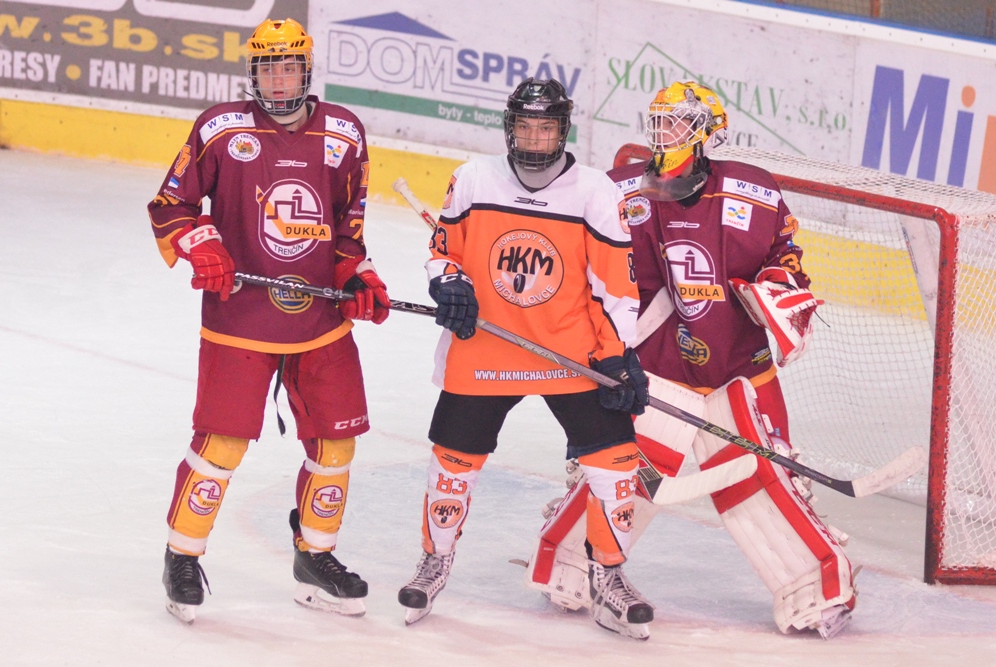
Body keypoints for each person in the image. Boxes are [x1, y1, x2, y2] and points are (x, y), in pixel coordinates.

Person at [522, 81, 856, 639]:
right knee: (623, 475)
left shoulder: (755, 192)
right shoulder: (622, 190)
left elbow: (786, 258)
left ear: (706, 133)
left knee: (764, 478)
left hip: (738, 365)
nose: (664, 133)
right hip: (654, 367)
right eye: (659, 121)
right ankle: (569, 568)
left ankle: (818, 590)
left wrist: (777, 287)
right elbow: (575, 257)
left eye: (677, 123)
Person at [147, 18, 390, 624]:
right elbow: (172, 204)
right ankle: (182, 556)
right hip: (240, 314)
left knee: (336, 441)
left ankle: (315, 556)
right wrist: (202, 244)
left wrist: (354, 276)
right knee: (222, 443)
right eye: (267, 67)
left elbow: (348, 228)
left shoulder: (344, 132)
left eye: (289, 67)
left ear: (306, 71)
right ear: (252, 72)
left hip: (318, 319)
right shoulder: (221, 128)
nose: (278, 79)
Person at [396, 78, 654, 639]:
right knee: (452, 462)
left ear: (564, 131)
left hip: (570, 353)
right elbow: (443, 253)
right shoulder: (472, 178)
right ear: (509, 128)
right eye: (526, 127)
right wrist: (450, 283)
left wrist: (617, 355)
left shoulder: (594, 191)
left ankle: (608, 574)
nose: (535, 139)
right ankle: (435, 559)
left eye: (546, 128)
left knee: (617, 464)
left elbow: (616, 285)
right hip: (485, 347)